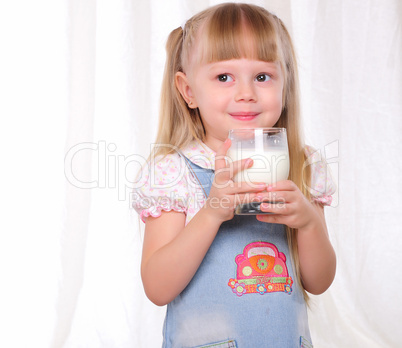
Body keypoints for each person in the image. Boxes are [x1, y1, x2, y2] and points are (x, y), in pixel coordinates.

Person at [132, 3, 336, 347]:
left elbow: (318, 281)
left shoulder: (303, 164)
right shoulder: (173, 171)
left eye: (262, 76)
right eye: (224, 77)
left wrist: (309, 223)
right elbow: (157, 286)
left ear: (285, 83)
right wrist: (211, 212)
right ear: (188, 91)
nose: (246, 93)